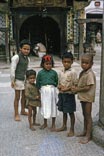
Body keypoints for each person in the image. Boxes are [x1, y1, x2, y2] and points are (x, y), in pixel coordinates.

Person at [72, 53, 96, 144]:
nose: (84, 65)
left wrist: (77, 89)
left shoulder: (90, 74)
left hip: (88, 98)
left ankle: (88, 136)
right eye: (82, 63)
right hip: (83, 97)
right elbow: (79, 82)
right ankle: (85, 131)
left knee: (88, 116)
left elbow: (88, 87)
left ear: (91, 64)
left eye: (86, 63)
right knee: (84, 115)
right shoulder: (83, 72)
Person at [56, 52, 77, 137]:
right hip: (62, 94)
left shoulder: (73, 72)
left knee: (70, 112)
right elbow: (59, 82)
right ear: (62, 62)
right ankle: (64, 126)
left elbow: (75, 85)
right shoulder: (61, 71)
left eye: (68, 62)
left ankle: (72, 129)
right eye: (64, 62)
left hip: (69, 95)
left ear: (72, 62)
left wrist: (67, 88)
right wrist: (59, 86)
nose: (66, 63)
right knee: (64, 111)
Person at [36, 54, 58, 131]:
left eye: (50, 64)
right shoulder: (40, 73)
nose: (48, 65)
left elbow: (56, 82)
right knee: (44, 107)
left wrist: (53, 87)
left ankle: (53, 124)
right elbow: (38, 84)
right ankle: (45, 123)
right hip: (43, 92)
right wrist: (38, 94)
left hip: (52, 92)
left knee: (53, 107)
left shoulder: (54, 73)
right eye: (47, 64)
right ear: (43, 64)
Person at [10, 39, 31, 121]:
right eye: (24, 49)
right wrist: (12, 80)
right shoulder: (16, 57)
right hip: (18, 79)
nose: (26, 50)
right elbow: (13, 69)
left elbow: (27, 69)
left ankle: (22, 110)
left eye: (28, 49)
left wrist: (29, 79)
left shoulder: (28, 59)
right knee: (17, 97)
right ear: (20, 49)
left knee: (24, 96)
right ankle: (16, 114)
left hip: (24, 79)